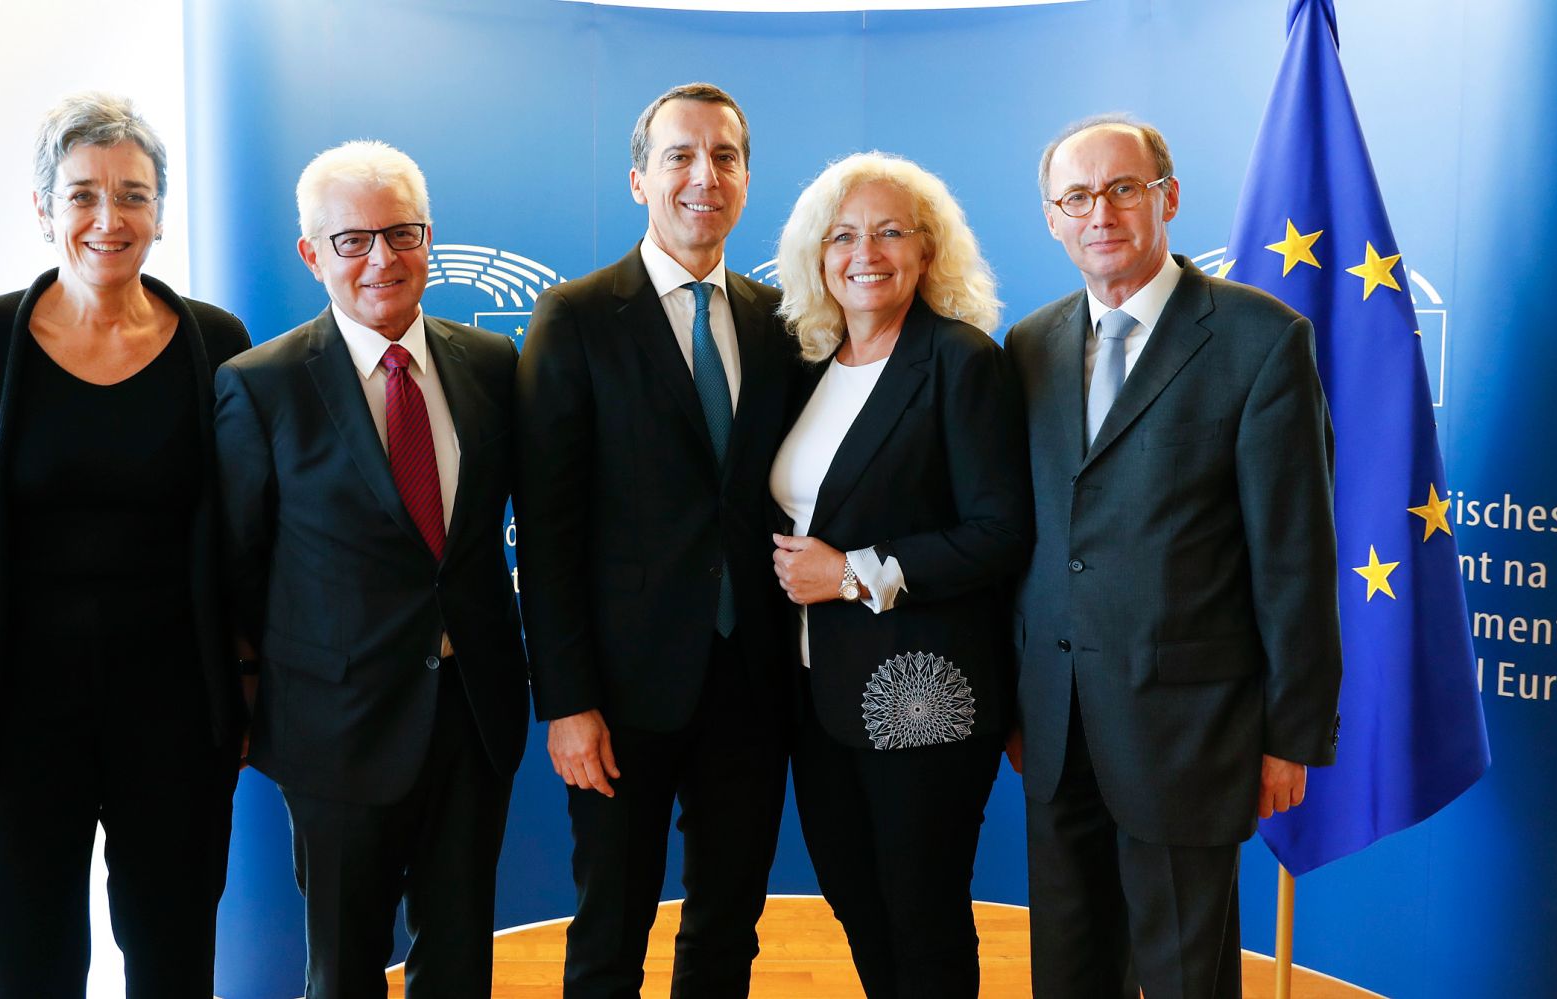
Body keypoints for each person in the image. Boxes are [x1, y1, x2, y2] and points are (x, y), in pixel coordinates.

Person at [0, 91, 250, 998]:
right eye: (83, 193)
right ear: (44, 209)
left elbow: (251, 538)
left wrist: (249, 687)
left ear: (161, 215)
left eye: (133, 194)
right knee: (22, 965)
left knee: (172, 956)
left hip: (172, 709)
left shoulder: (218, 345)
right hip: (11, 707)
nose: (108, 217)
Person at [1004, 114, 1343, 999]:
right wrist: (1016, 700)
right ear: (1051, 217)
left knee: (1188, 975)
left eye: (1123, 188)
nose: (1100, 213)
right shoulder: (1028, 346)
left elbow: (1295, 558)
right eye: (1075, 197)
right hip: (1055, 725)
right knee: (1068, 973)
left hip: (1191, 733)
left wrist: (1290, 734)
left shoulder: (1260, 340)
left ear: (1170, 197)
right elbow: (1032, 541)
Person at [213, 140, 526, 999]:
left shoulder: (494, 365)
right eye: (353, 240)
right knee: (345, 967)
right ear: (313, 254)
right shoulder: (260, 386)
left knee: (460, 957)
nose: (382, 259)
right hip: (334, 729)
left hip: (474, 714)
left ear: (431, 238)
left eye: (402, 233)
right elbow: (237, 570)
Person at [515, 82, 792, 998]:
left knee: (727, 925)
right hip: (620, 697)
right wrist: (567, 701)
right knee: (610, 929)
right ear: (640, 179)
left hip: (751, 684)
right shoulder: (577, 317)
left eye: (725, 156)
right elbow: (546, 531)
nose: (702, 176)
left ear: (746, 178)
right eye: (679, 155)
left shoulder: (779, 322)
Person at [766, 152, 1032, 999]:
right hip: (816, 692)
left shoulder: (960, 361)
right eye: (842, 235)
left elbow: (1000, 531)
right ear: (817, 255)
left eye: (889, 232)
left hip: (924, 692)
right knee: (854, 897)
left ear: (926, 251)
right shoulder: (807, 366)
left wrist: (850, 574)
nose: (864, 252)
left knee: (924, 915)